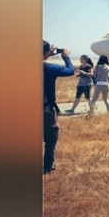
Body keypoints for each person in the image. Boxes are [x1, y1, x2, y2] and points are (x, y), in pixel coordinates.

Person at [43, 40, 75, 174]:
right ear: (45, 52)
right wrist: (66, 57)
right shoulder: (49, 68)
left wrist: (46, 55)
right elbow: (70, 71)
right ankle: (48, 166)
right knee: (51, 138)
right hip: (45, 109)